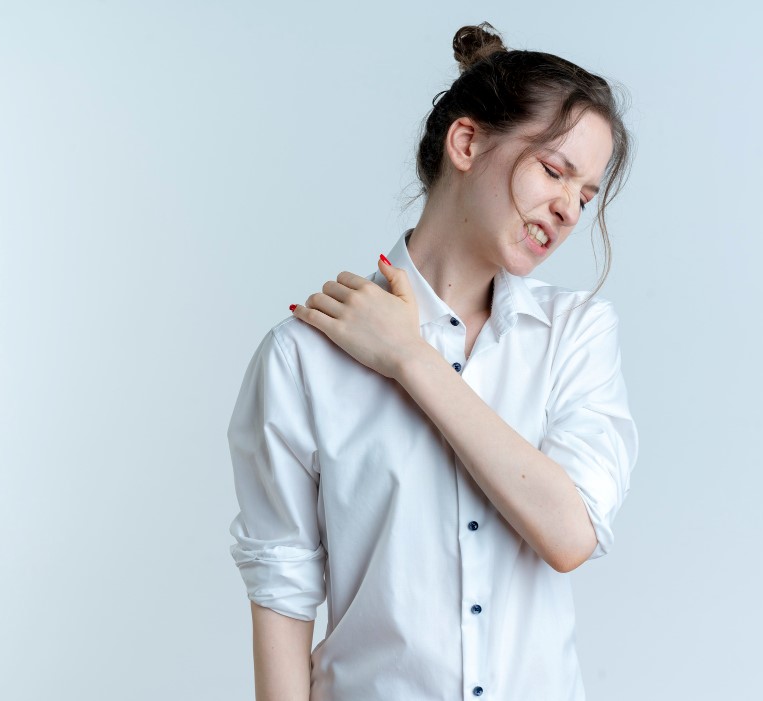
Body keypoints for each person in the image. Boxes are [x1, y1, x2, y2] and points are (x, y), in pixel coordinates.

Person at [227, 22, 639, 701]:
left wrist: (409, 359)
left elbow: (569, 534)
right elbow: (282, 585)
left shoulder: (575, 335)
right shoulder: (303, 358)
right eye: (555, 170)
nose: (568, 209)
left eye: (586, 195)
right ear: (467, 143)